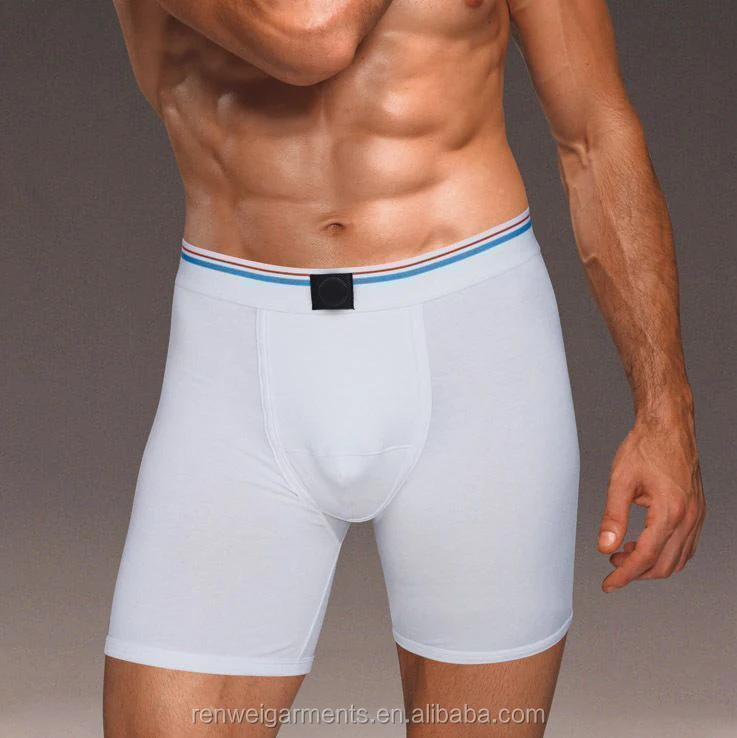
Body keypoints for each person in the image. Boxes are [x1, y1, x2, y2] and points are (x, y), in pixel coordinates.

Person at [103, 0, 706, 735]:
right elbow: (314, 33)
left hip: (476, 349)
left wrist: (665, 409)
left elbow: (595, 133)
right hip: (237, 362)